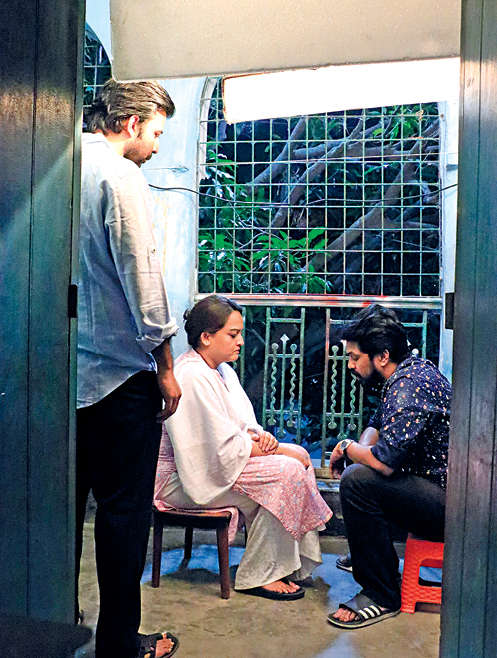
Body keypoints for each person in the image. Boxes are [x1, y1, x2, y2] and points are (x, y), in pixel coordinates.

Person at [77, 80, 181, 658]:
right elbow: (144, 279)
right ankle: (117, 645)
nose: (157, 146)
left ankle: (53, 624)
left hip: (60, 376)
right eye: (156, 132)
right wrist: (165, 366)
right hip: (119, 379)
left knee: (59, 515)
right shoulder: (119, 176)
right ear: (131, 123)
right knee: (122, 519)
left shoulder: (57, 165)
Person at [155, 295, 332, 600]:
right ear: (206, 337)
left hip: (220, 465)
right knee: (287, 472)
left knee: (295, 463)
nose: (240, 342)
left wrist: (264, 439)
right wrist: (278, 451)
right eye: (232, 334)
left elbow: (243, 427)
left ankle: (279, 567)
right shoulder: (191, 375)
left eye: (240, 334)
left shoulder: (222, 370)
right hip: (181, 480)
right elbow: (214, 449)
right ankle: (260, 576)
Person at [327, 305, 451, 629]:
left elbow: (383, 462)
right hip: (437, 492)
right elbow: (377, 423)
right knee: (361, 471)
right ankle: (370, 556)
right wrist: (359, 450)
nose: (350, 365)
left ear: (382, 356)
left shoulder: (409, 385)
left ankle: (381, 593)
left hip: (451, 509)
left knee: (357, 481)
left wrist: (347, 448)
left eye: (355, 357)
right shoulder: (407, 373)